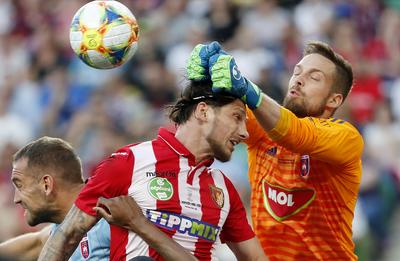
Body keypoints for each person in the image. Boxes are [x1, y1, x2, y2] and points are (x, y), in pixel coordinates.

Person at [38, 81, 267, 261]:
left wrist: (138, 223)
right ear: (203, 111)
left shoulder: (224, 189)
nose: (245, 132)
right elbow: (67, 234)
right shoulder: (130, 161)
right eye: (237, 117)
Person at [186, 41, 363, 260]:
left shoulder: (346, 137)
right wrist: (204, 83)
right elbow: (216, 116)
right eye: (297, 72)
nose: (299, 79)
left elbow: (296, 134)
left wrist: (245, 86)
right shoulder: (263, 127)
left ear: (334, 100)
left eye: (314, 77)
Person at [0, 137, 198, 261]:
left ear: (46, 185)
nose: (16, 198)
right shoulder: (55, 235)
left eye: (19, 185)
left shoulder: (116, 218)